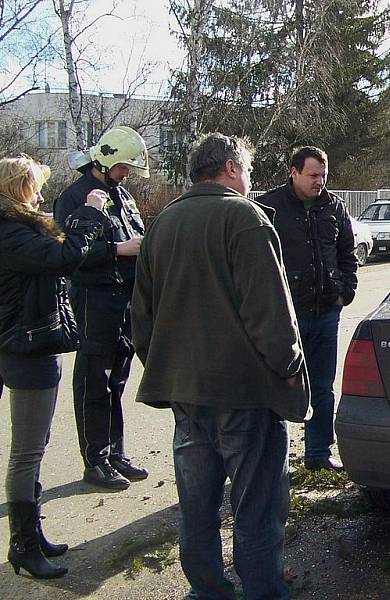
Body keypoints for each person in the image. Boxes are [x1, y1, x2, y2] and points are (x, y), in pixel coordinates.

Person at [132, 133, 309, 599]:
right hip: (245, 394)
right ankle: (263, 593)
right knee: (256, 509)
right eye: (247, 169)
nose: (250, 178)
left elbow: (142, 319)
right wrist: (289, 366)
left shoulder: (163, 223)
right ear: (231, 168)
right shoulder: (244, 218)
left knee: (197, 507)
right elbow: (270, 312)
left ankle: (208, 591)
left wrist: (167, 368)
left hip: (187, 394)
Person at [0, 155, 112, 578]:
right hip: (26, 345)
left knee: (36, 445)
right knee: (27, 451)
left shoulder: (15, 229)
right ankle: (23, 545)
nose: (43, 196)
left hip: (26, 342)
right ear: (18, 189)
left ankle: (33, 533)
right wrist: (89, 213)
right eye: (35, 187)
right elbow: (66, 257)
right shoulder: (11, 233)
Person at [54, 126, 148, 490]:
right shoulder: (74, 198)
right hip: (94, 297)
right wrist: (118, 250)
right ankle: (95, 460)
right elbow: (69, 255)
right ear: (106, 160)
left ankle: (115, 453)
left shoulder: (120, 195)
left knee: (117, 379)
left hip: (124, 296)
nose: (127, 174)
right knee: (95, 379)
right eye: (123, 166)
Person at [258, 146, 357, 471]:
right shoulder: (270, 207)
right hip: (286, 314)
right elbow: (258, 259)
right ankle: (276, 460)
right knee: (281, 386)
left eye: (323, 176)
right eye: (313, 175)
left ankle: (319, 453)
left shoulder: (334, 207)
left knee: (322, 386)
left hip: (326, 311)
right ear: (294, 172)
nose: (320, 182)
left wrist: (345, 291)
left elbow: (347, 253)